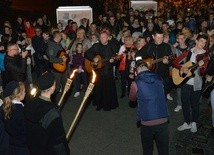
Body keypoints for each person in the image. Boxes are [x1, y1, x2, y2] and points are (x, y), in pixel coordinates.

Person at [129, 56, 169, 155]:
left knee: (147, 150)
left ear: (136, 72)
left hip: (147, 121)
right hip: (163, 118)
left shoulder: (135, 83)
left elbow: (132, 98)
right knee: (164, 150)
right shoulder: (159, 79)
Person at [24, 72, 70, 155]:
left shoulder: (30, 102)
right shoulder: (52, 113)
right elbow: (58, 142)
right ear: (52, 88)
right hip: (47, 150)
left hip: (33, 147)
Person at [173, 34, 209, 133]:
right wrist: (182, 68)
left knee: (195, 104)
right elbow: (175, 62)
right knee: (184, 103)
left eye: (205, 42)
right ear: (196, 41)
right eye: (201, 41)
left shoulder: (205, 56)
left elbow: (202, 73)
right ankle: (186, 122)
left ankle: (194, 123)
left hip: (196, 84)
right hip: (185, 82)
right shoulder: (188, 52)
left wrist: (201, 67)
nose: (203, 44)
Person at [85, 31, 119, 111]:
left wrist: (113, 61)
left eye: (103, 37)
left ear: (108, 38)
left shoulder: (112, 46)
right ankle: (99, 104)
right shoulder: (96, 45)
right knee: (98, 88)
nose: (102, 39)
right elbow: (87, 53)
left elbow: (116, 58)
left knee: (108, 88)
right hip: (98, 71)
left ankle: (108, 105)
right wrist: (94, 58)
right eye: (100, 37)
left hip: (108, 71)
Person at [136, 30, 173, 97]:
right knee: (151, 95)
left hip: (163, 75)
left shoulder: (166, 46)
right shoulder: (149, 46)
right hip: (150, 75)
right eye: (158, 37)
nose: (160, 39)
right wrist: (140, 63)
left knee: (162, 95)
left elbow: (171, 61)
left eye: (162, 37)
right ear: (153, 37)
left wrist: (167, 62)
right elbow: (138, 54)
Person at [1, 81, 30, 155]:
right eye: (24, 91)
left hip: (10, 144)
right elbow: (25, 129)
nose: (25, 93)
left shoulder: (4, 107)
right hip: (22, 145)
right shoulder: (21, 111)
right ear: (18, 95)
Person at [46, 30, 68, 102]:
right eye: (60, 36)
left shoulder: (58, 43)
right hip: (56, 70)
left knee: (65, 83)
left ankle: (63, 98)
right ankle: (52, 100)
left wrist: (65, 52)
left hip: (62, 68)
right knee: (57, 86)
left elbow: (60, 54)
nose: (61, 38)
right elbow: (51, 59)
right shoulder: (51, 46)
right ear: (57, 36)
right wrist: (61, 60)